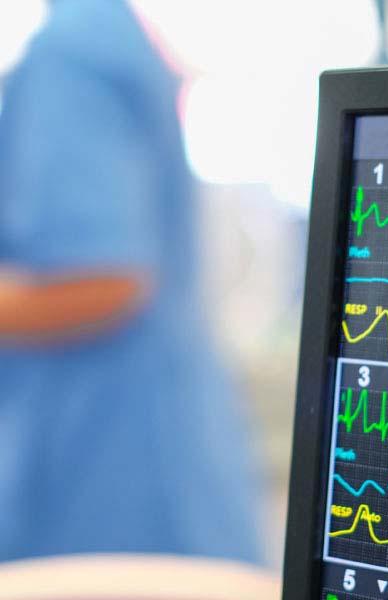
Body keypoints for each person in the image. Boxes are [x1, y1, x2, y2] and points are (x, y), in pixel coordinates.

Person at [0, 0, 264, 563]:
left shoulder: (71, 58)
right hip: (149, 450)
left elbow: (101, 279)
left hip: (110, 468)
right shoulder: (102, 38)